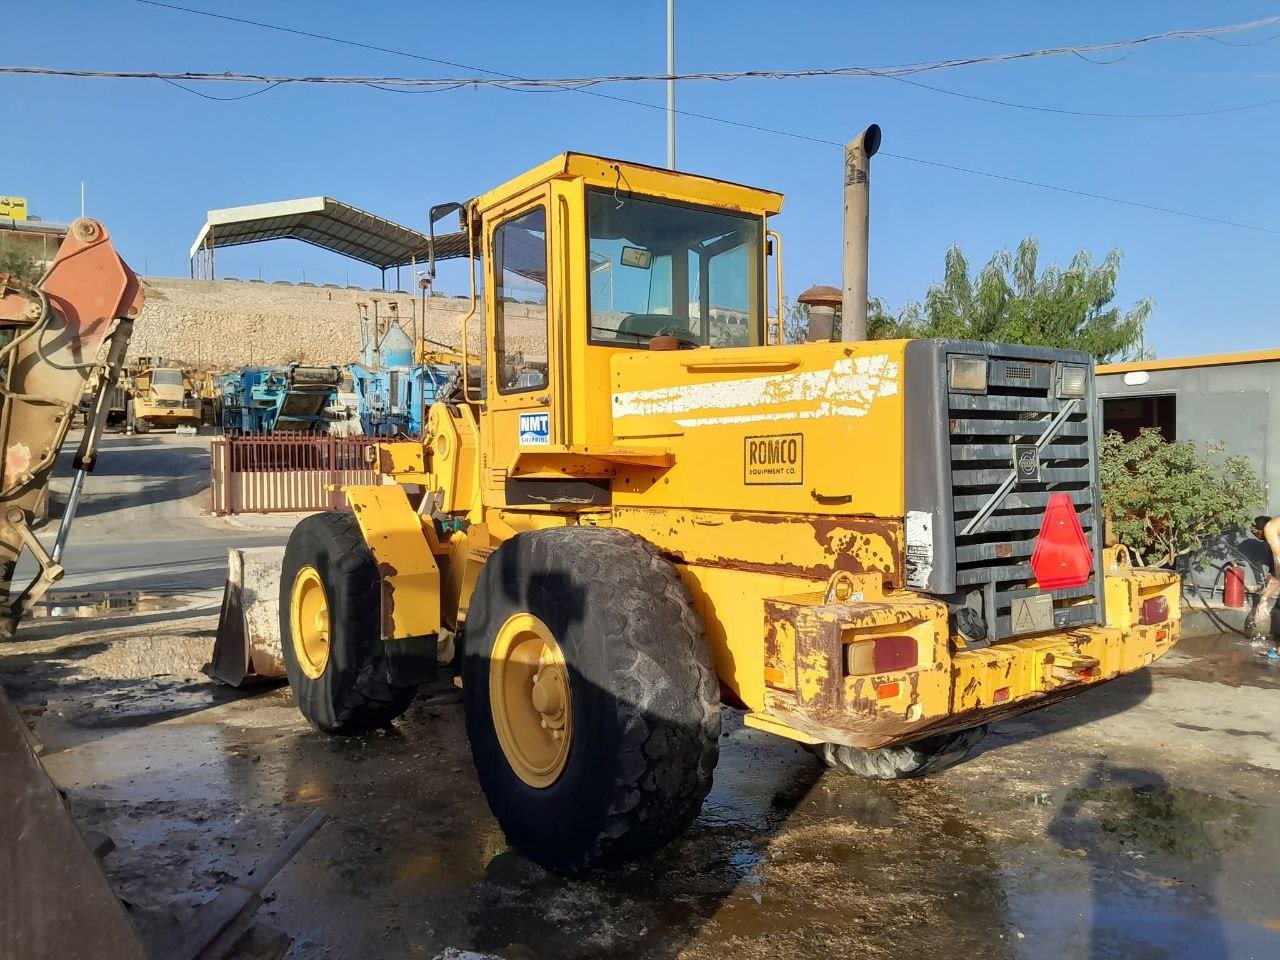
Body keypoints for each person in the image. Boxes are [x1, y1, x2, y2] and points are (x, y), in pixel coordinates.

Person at [1245, 515, 1280, 650]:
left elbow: (1278, 571)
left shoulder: (1269, 528)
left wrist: (1263, 600)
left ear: (1260, 530)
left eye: (1256, 533)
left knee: (1278, 611)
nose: (1257, 537)